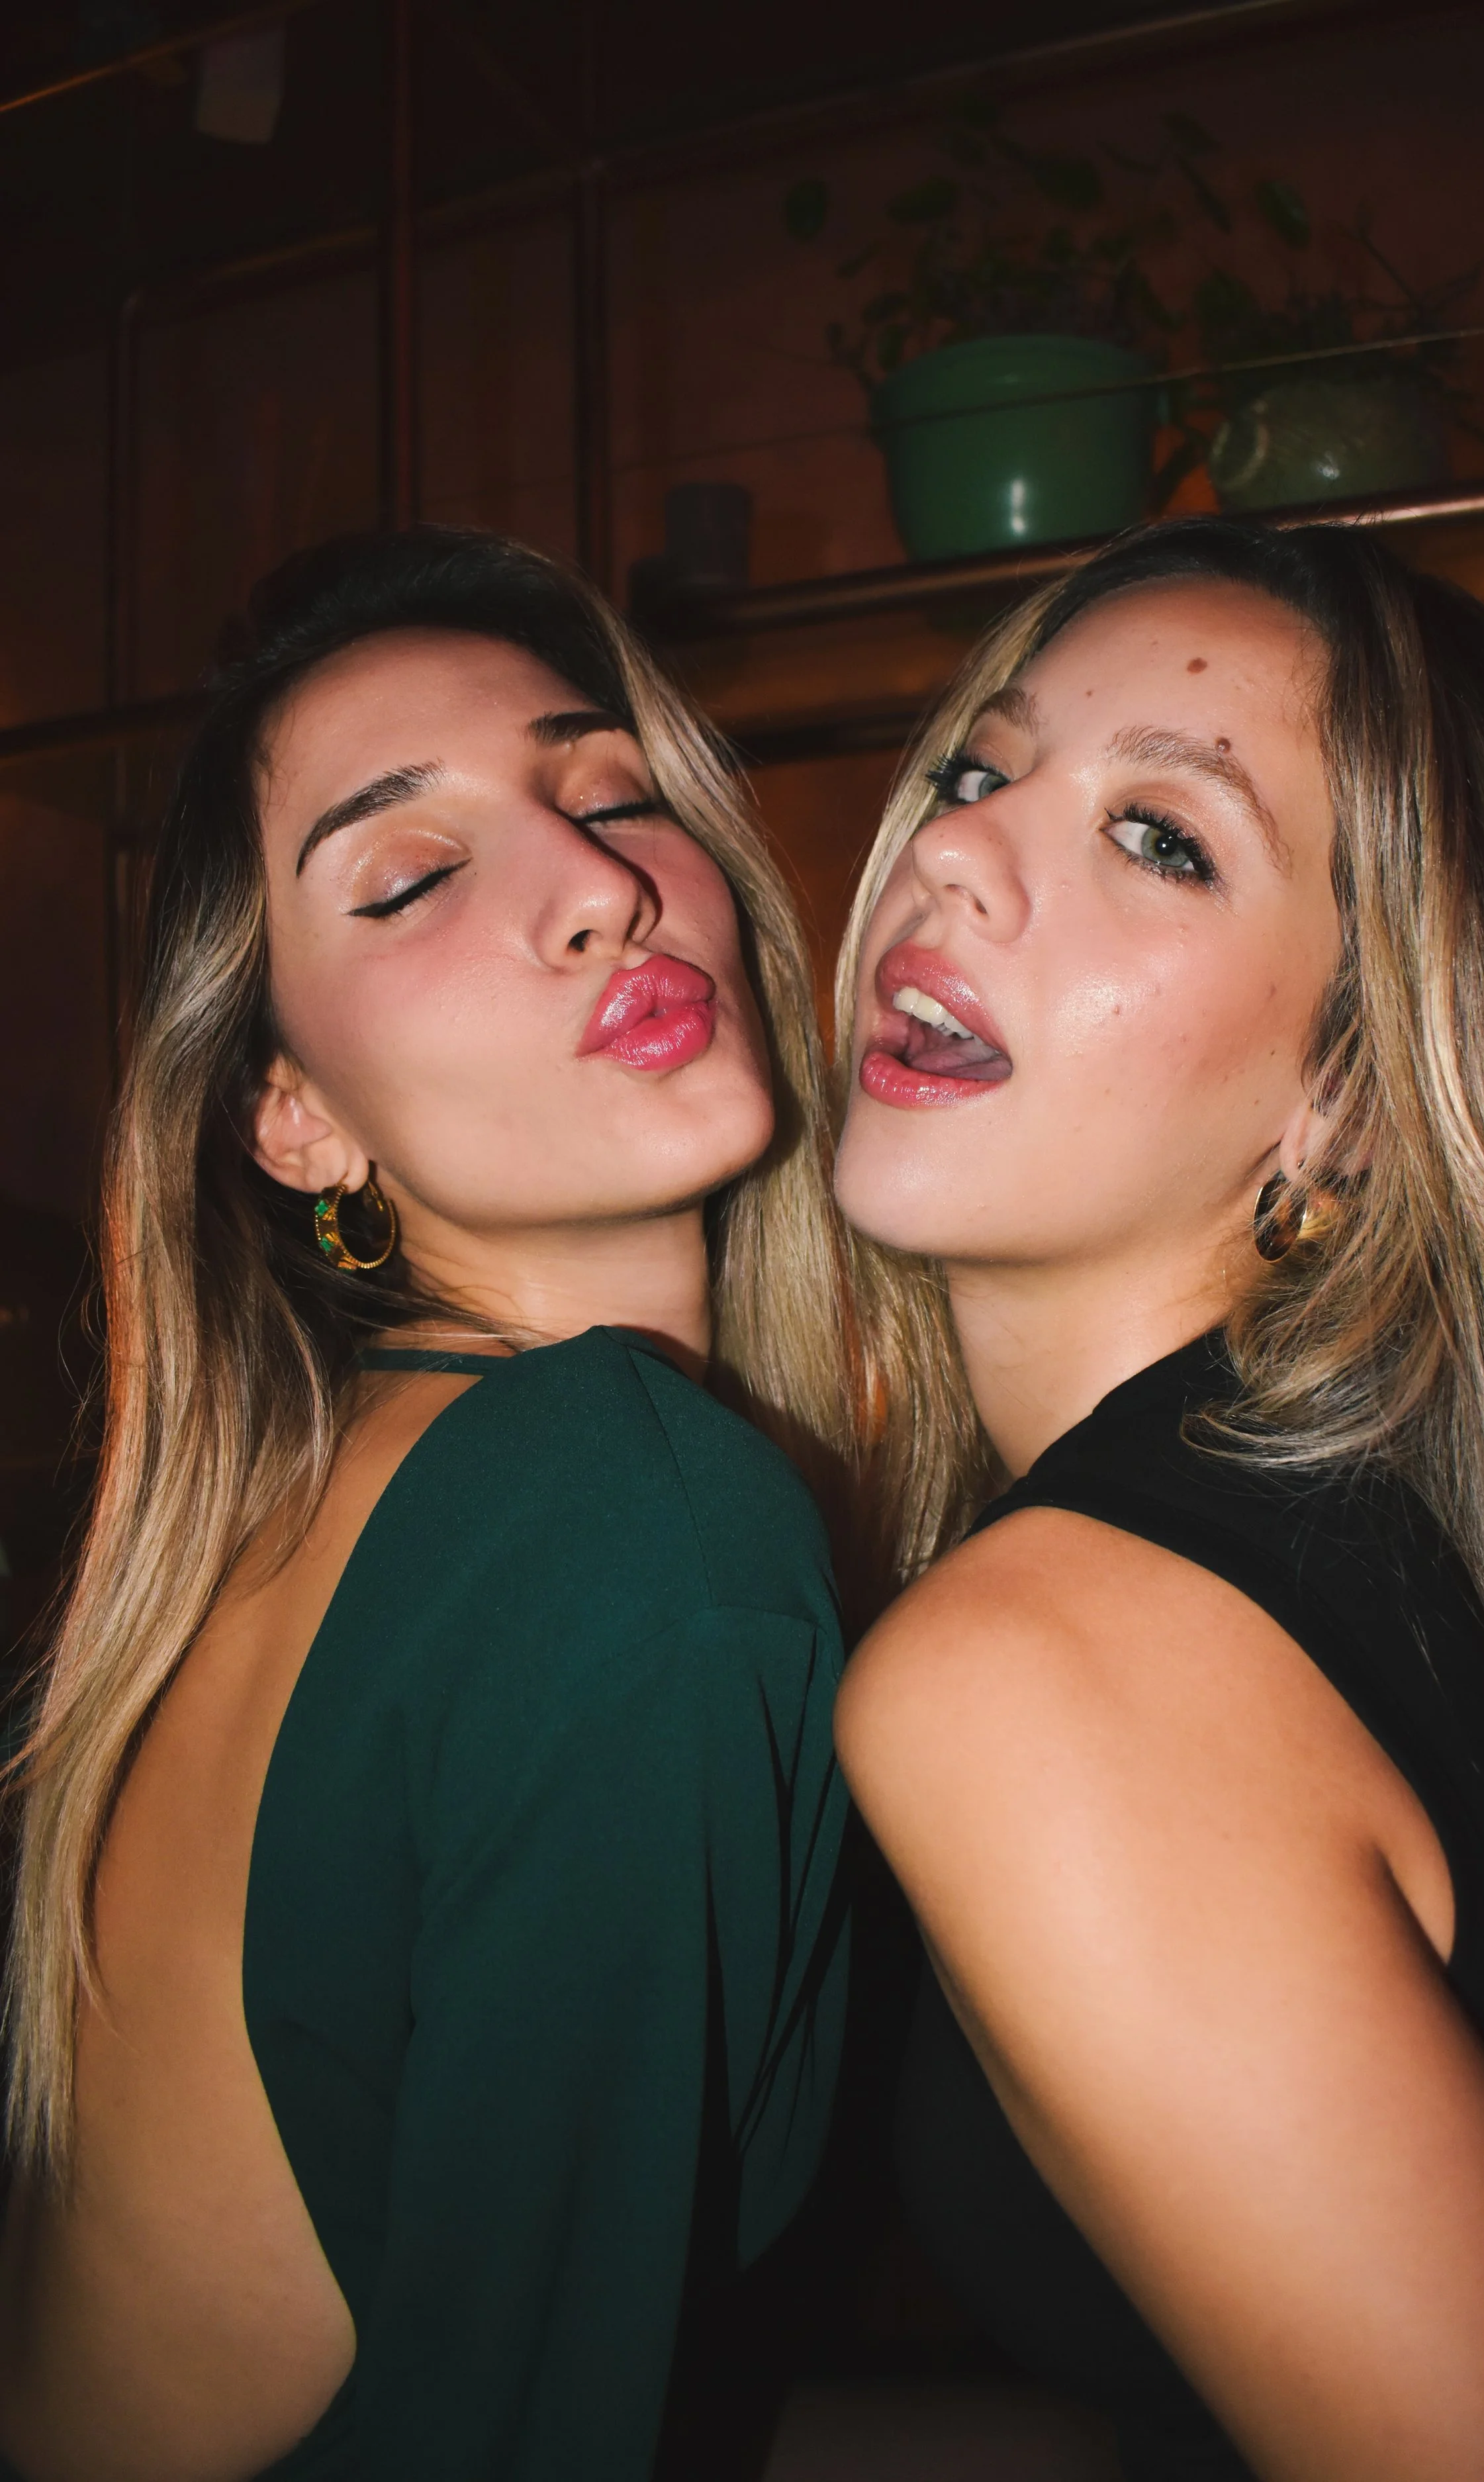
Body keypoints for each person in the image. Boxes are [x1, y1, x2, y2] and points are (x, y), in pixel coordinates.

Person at [0, 526, 854, 2482]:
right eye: (409, 874)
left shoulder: (352, 1473)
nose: (602, 890)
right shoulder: (629, 1520)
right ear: (293, 1116)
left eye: (612, 790)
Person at [831, 516, 1484, 2481]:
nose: (951, 848)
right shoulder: (1397, 1535)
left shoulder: (1041, 1662)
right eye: (978, 767)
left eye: (1162, 836)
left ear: (1348, 1105)